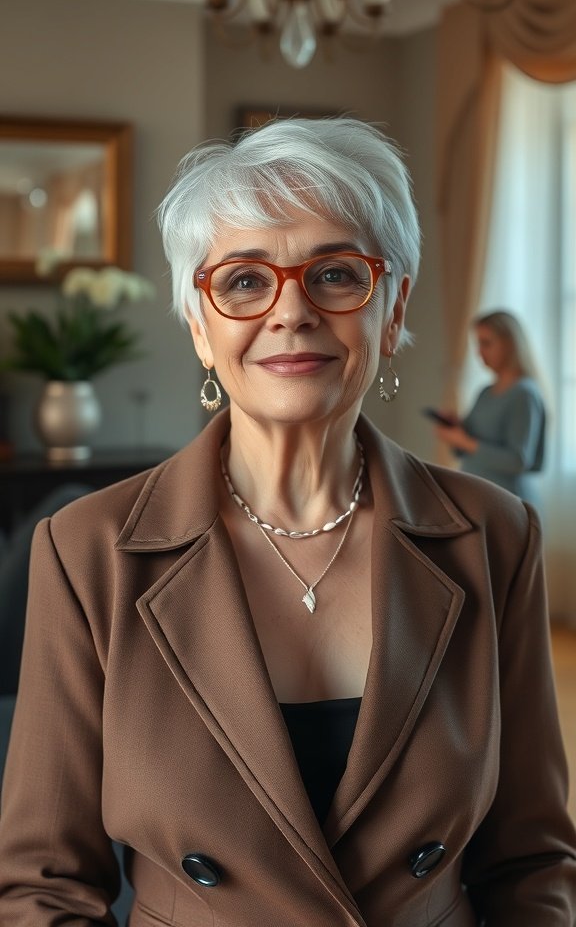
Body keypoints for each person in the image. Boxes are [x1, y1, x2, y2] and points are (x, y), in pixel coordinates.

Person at [0, 118, 574, 927]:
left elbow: (533, 863)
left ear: (394, 305)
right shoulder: (86, 551)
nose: (292, 311)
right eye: (242, 281)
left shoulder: (497, 535)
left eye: (337, 273)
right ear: (200, 326)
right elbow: (44, 886)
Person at [435, 310, 547, 504]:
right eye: (478, 344)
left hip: (508, 505)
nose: (479, 352)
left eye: (486, 343)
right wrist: (456, 429)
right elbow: (464, 449)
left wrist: (465, 442)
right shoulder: (486, 392)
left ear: (510, 344)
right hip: (479, 501)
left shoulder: (524, 394)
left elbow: (518, 460)